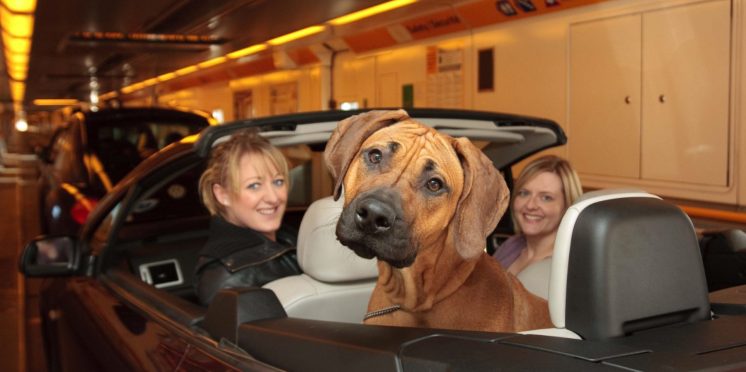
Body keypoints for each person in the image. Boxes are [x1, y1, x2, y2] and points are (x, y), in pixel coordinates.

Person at [194, 129, 301, 305]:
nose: (273, 198)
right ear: (223, 195)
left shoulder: (291, 238)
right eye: (254, 186)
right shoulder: (228, 279)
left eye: (278, 182)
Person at [493, 155, 582, 275]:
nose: (530, 205)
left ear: (567, 206)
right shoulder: (511, 246)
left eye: (546, 198)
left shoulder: (569, 266)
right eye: (524, 193)